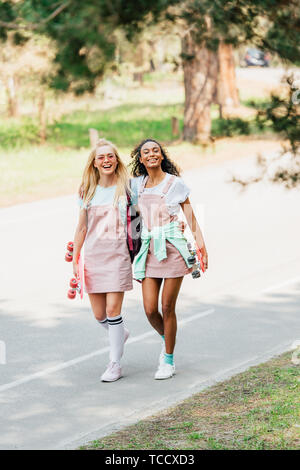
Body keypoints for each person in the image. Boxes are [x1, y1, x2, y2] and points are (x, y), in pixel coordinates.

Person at [130, 138, 208, 380]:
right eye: (146, 152)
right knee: (150, 309)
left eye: (156, 150)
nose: (152, 154)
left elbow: (191, 218)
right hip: (149, 249)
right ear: (141, 159)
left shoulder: (176, 184)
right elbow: (133, 220)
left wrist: (202, 248)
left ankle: (168, 360)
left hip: (173, 248)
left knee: (167, 307)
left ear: (161, 156)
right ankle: (168, 338)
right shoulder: (135, 186)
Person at [73, 138, 132, 382]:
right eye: (101, 157)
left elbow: (140, 221)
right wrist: (75, 260)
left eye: (110, 156)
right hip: (94, 257)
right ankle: (119, 333)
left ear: (116, 160)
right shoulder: (87, 191)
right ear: (94, 163)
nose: (106, 160)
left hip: (118, 256)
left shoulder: (127, 188)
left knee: (112, 310)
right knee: (99, 315)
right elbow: (81, 228)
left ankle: (114, 364)